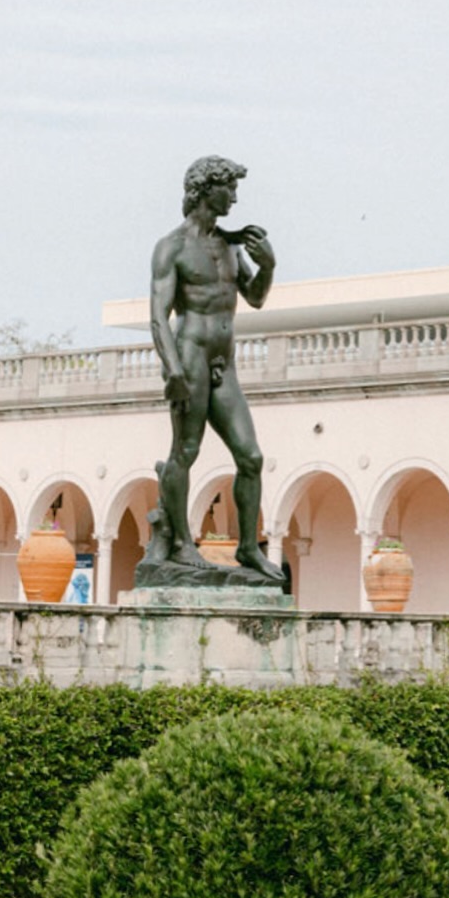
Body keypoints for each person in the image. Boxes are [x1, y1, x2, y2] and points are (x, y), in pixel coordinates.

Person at [146, 155, 284, 584]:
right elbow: (158, 314)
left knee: (251, 457)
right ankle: (181, 542)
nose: (236, 196)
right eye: (230, 188)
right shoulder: (172, 247)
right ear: (208, 189)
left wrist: (268, 266)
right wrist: (173, 371)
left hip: (225, 363)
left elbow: (255, 298)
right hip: (190, 358)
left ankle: (247, 548)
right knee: (185, 452)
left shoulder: (229, 246)